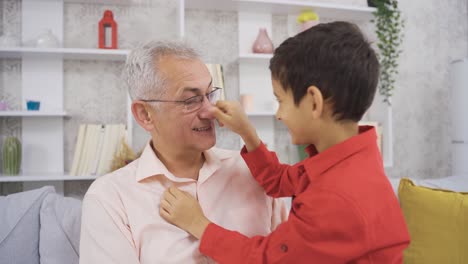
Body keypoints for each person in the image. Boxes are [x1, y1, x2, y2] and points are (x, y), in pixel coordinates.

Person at [159, 22, 411, 263]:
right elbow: (280, 180)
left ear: (314, 102)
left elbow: (266, 260)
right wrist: (247, 133)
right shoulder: (351, 161)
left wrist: (198, 224)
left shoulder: (335, 198)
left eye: (281, 100)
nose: (279, 114)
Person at [79, 40, 287, 264]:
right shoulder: (110, 198)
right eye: (191, 100)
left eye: (210, 94)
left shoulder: (256, 172)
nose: (210, 111)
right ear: (145, 115)